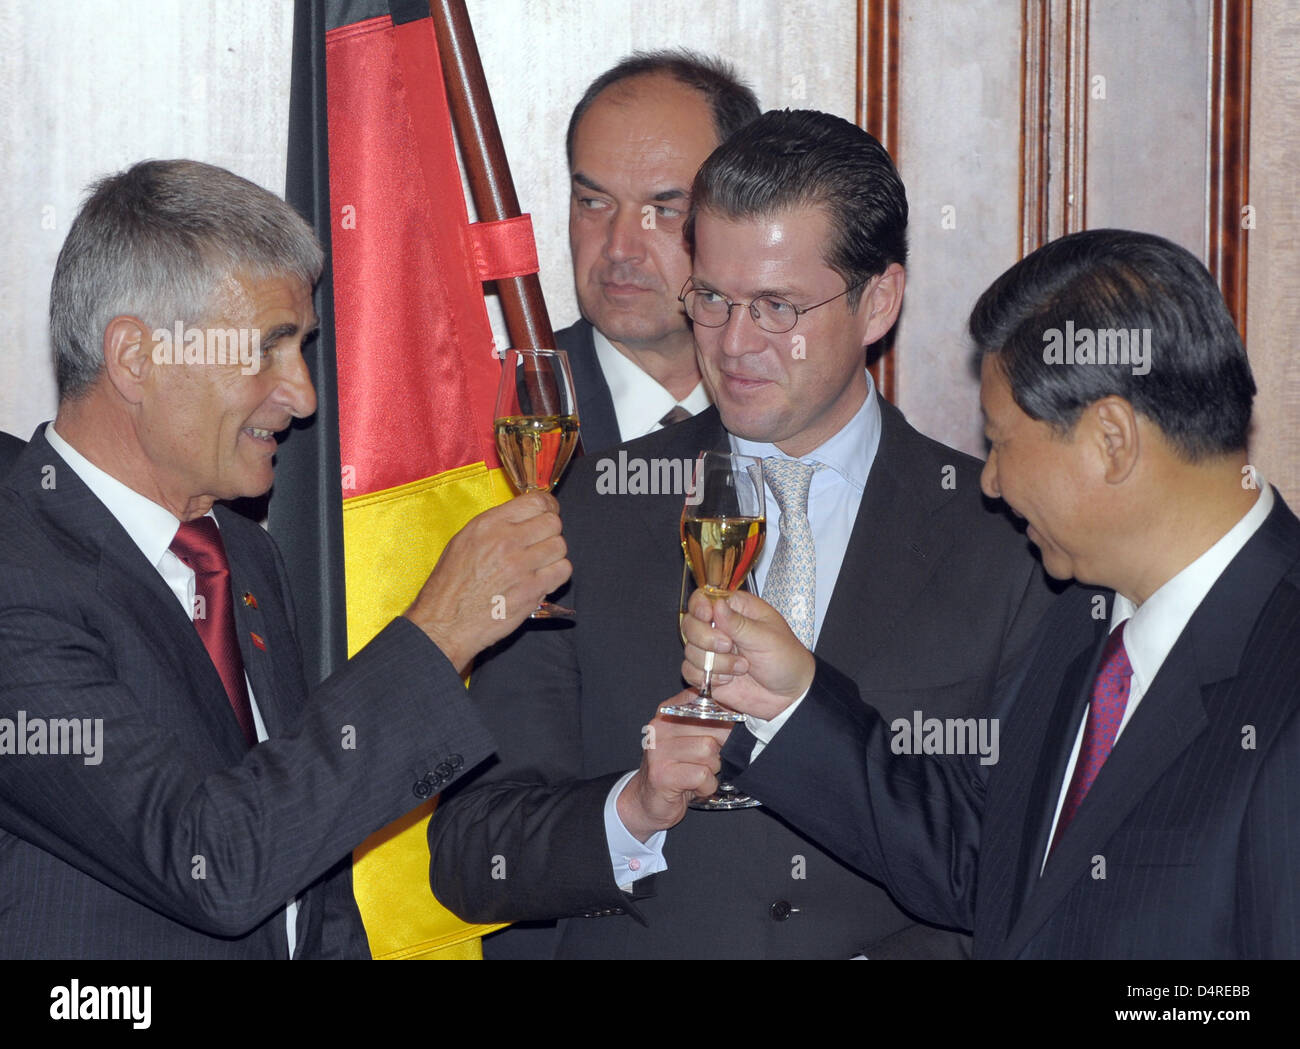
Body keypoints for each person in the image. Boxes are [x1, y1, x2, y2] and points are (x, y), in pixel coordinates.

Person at [429, 110, 1061, 959]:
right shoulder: (585, 507)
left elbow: (1012, 869)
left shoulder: (1009, 538)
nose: (733, 343)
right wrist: (632, 807)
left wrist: (802, 719)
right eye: (714, 299)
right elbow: (472, 856)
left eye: (776, 306)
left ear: (879, 301)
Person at [0, 159, 569, 959]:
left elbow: (308, 877)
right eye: (266, 351)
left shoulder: (240, 553)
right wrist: (437, 636)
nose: (302, 394)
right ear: (134, 358)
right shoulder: (18, 576)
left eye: (300, 348)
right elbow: (214, 863)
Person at [682, 228, 1300, 958]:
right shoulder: (1082, 622)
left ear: (1111, 440)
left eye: (1003, 441)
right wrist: (790, 701)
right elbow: (986, 861)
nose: (991, 481)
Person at [558, 50, 759, 454]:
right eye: (594, 202)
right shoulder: (499, 417)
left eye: (664, 210)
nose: (619, 248)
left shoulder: (801, 415)